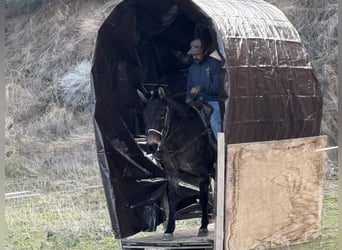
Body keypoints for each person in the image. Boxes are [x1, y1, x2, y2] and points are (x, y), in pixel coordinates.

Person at [186, 39, 222, 140]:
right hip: (197, 101)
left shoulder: (215, 64)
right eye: (193, 55)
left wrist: (201, 87)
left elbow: (218, 87)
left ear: (205, 52)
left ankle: (221, 148)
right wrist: (188, 98)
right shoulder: (192, 68)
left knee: (215, 121)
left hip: (213, 101)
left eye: (197, 54)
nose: (195, 57)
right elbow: (189, 87)